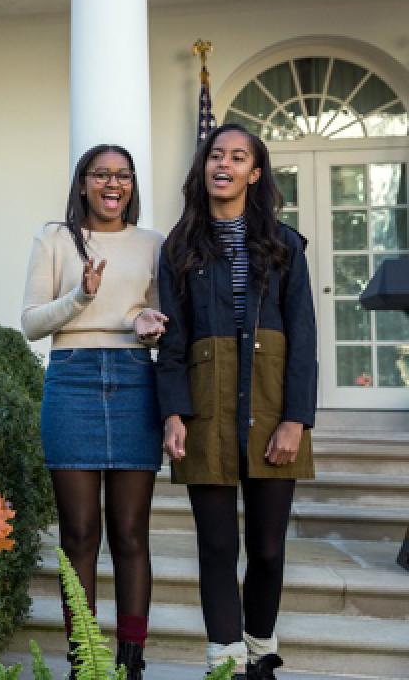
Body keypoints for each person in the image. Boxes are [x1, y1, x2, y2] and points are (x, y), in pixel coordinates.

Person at [156, 123, 316, 680]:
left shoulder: (285, 244)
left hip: (273, 407)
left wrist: (295, 418)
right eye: (215, 154)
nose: (223, 163)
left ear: (255, 172)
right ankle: (223, 661)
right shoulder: (179, 247)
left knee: (267, 549)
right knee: (217, 546)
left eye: (238, 156)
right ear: (203, 169)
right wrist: (172, 412)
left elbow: (303, 336)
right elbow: (173, 339)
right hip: (207, 410)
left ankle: (259, 653)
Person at [21, 144, 167, 680]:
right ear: (82, 182)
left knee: (130, 531)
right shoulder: (55, 238)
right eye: (100, 174)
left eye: (122, 175)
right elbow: (33, 322)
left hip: (134, 380)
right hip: (73, 378)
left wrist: (145, 321)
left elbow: (145, 312)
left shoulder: (153, 244)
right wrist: (81, 297)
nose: (112, 183)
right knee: (79, 532)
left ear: (132, 183)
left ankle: (131, 661)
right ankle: (84, 658)